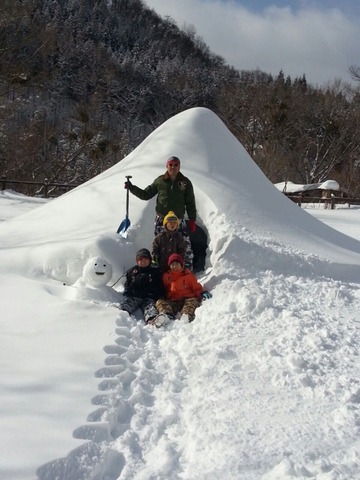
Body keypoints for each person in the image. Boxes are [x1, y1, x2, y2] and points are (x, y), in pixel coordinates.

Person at [125, 155, 196, 269]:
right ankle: (160, 273)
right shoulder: (160, 181)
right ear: (166, 166)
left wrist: (192, 219)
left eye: (175, 165)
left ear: (179, 167)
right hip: (161, 220)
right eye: (170, 165)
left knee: (184, 247)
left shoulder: (185, 183)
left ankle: (186, 273)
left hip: (178, 220)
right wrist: (132, 188)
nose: (173, 167)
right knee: (160, 248)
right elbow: (146, 194)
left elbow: (190, 202)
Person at [155, 253, 212, 325]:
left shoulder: (188, 276)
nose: (174, 266)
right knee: (159, 302)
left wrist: (202, 292)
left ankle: (186, 317)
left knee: (193, 302)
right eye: (172, 264)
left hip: (188, 299)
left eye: (177, 264)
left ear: (181, 265)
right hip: (174, 301)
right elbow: (163, 289)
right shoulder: (166, 276)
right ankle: (167, 315)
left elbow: (196, 288)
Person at [119, 248, 165, 325]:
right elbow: (128, 283)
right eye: (141, 260)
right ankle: (121, 314)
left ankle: (152, 319)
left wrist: (159, 295)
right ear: (137, 261)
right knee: (128, 304)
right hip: (135, 296)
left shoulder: (155, 272)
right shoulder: (132, 271)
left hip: (149, 296)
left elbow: (159, 285)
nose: (143, 262)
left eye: (145, 259)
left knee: (150, 308)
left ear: (150, 260)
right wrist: (127, 291)